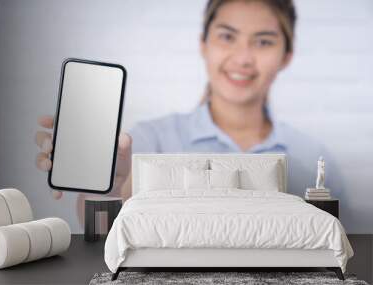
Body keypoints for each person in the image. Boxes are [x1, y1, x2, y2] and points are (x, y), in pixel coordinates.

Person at [36, 0, 343, 226]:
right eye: (227, 36)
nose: (243, 58)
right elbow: (102, 235)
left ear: (286, 56)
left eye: (263, 41)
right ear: (203, 44)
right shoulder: (146, 140)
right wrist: (110, 188)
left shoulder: (314, 155)